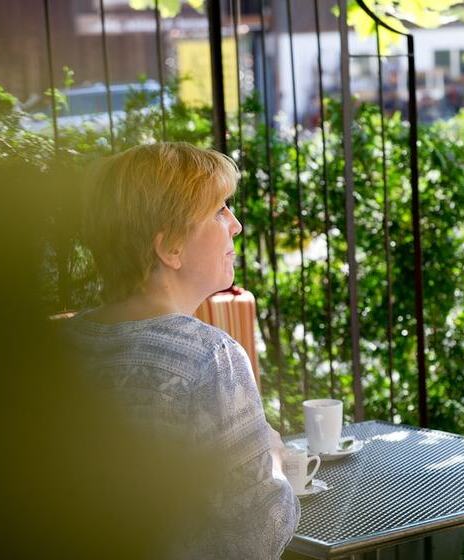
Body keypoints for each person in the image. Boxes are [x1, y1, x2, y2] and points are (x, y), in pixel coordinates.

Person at [65, 142, 300, 558]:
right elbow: (257, 532)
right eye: (218, 211)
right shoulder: (209, 358)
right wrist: (275, 460)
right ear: (170, 248)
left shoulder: (65, 345)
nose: (236, 225)